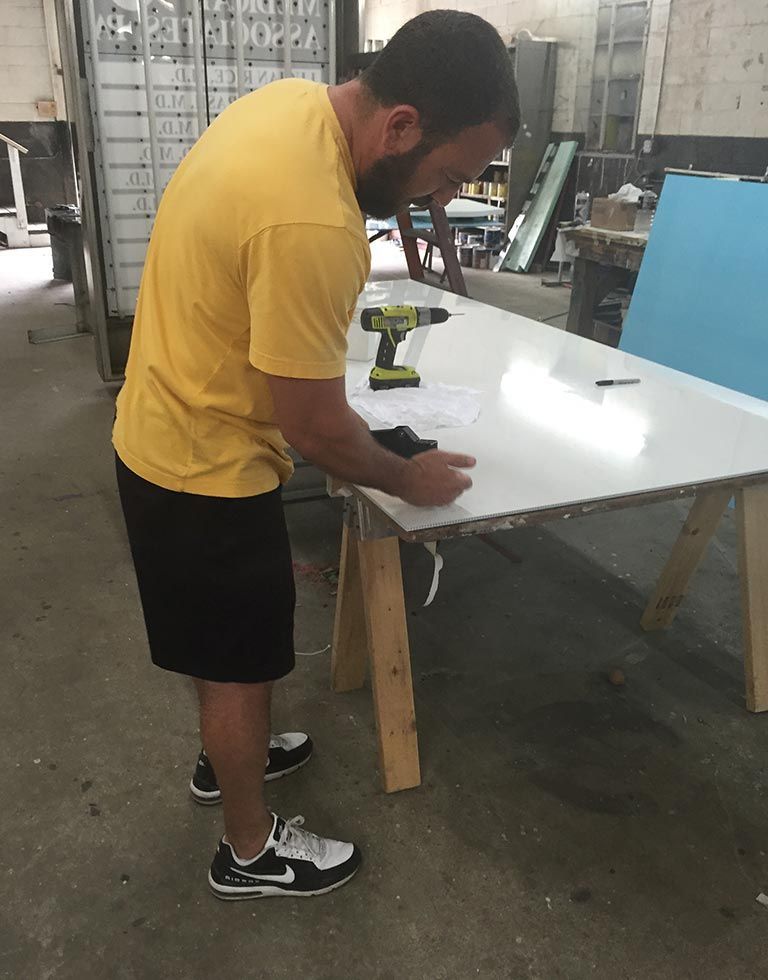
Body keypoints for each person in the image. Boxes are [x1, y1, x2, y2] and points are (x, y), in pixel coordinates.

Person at [113, 9, 520, 900]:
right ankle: (249, 853)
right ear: (400, 126)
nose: (442, 198)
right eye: (447, 174)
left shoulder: (293, 107)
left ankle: (235, 759)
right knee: (240, 657)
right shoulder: (315, 222)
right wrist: (403, 474)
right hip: (203, 464)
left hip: (166, 421)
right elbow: (317, 431)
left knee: (221, 643)